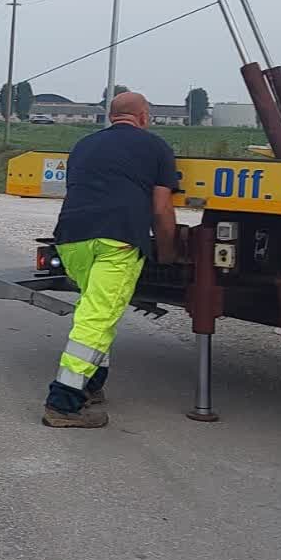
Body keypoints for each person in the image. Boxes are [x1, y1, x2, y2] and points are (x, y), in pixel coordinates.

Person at [42, 91, 178, 429]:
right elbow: (162, 209)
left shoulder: (84, 145)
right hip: (116, 241)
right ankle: (63, 402)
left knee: (97, 310)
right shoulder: (156, 147)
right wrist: (167, 252)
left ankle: (92, 384)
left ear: (111, 116)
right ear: (143, 116)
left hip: (71, 239)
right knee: (98, 317)